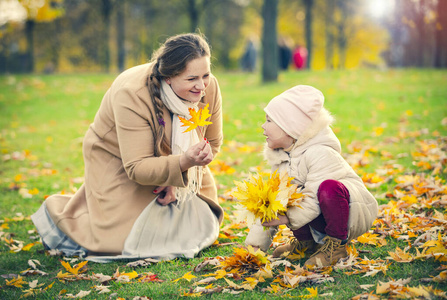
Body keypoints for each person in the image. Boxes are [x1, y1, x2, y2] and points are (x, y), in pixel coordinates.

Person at [31, 33, 224, 262]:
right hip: (118, 158)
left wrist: (178, 177)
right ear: (169, 78)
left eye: (206, 75)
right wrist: (181, 164)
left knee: (199, 224)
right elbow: (137, 167)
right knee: (124, 241)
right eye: (192, 79)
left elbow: (212, 143)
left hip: (178, 163)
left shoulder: (207, 87)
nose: (201, 86)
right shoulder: (132, 94)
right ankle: (72, 220)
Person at [245, 85, 378, 268]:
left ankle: (336, 245)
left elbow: (313, 199)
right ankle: (306, 243)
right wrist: (255, 246)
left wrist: (287, 217)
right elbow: (272, 205)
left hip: (349, 212)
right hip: (318, 214)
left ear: (289, 127)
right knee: (285, 194)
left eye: (269, 120)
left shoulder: (320, 152)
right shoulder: (281, 160)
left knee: (327, 188)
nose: (263, 125)